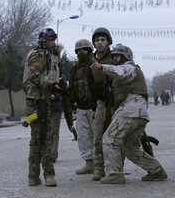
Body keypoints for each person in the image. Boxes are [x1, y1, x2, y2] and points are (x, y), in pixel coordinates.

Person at [90, 45, 168, 184]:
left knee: (109, 139)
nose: (114, 58)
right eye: (113, 56)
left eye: (117, 56)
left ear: (126, 57)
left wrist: (102, 67)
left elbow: (120, 71)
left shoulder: (129, 67)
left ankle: (114, 174)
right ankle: (156, 170)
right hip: (138, 113)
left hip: (130, 111)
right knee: (130, 148)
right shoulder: (123, 73)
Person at [23, 28, 58, 187]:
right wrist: (48, 83)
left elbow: (53, 71)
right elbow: (33, 75)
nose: (53, 43)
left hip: (43, 99)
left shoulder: (48, 55)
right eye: (51, 40)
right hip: (37, 101)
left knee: (44, 138)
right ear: (44, 41)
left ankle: (39, 176)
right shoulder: (38, 55)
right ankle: (43, 176)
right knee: (40, 139)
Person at [87, 27, 113, 181]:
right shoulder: (91, 61)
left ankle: (115, 168)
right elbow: (90, 86)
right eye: (97, 40)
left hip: (115, 103)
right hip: (101, 103)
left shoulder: (116, 57)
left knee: (115, 138)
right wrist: (94, 108)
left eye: (103, 39)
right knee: (98, 137)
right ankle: (98, 168)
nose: (100, 42)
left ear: (108, 42)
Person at [69, 39, 95, 174]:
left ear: (90, 50)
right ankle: (89, 163)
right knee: (84, 137)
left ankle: (102, 164)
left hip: (95, 106)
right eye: (78, 51)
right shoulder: (75, 68)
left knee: (98, 136)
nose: (81, 52)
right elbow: (72, 87)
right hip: (80, 107)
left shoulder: (95, 65)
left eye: (83, 50)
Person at [51, 43, 63, 163]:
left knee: (54, 130)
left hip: (55, 102)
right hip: (43, 102)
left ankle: (53, 153)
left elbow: (63, 86)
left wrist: (57, 95)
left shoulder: (60, 70)